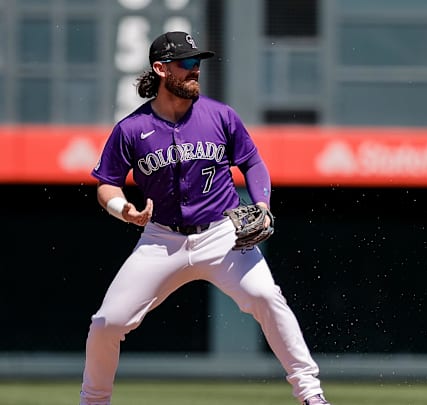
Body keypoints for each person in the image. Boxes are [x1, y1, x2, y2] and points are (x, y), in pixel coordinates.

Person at [80, 31, 332, 405]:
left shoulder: (220, 116)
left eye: (198, 63)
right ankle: (93, 401)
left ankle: (311, 395)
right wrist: (124, 210)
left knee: (266, 296)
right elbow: (106, 184)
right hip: (161, 240)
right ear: (161, 69)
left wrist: (262, 205)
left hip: (222, 235)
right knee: (107, 323)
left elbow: (253, 162)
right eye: (186, 63)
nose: (195, 70)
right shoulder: (131, 129)